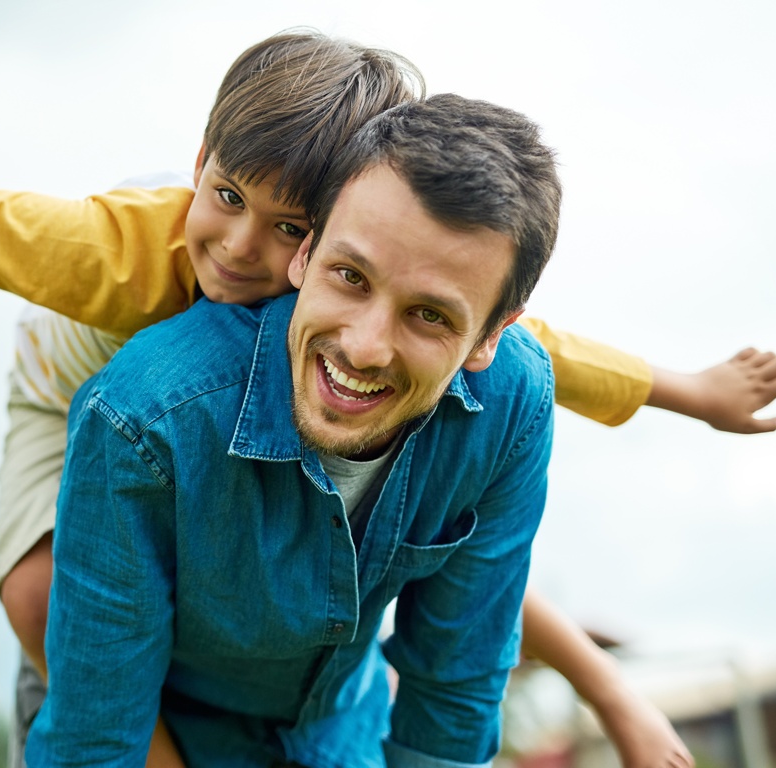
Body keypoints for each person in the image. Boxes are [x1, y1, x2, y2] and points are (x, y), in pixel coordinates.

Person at [0, 30, 776, 766]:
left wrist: (690, 391)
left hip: (291, 519)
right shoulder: (113, 261)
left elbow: (537, 359)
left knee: (417, 522)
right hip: (68, 408)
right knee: (47, 602)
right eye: (225, 197)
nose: (236, 250)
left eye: (287, 231)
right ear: (200, 159)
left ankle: (603, 680)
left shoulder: (438, 347)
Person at [30, 93, 563, 766]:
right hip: (177, 737)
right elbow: (96, 743)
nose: (365, 348)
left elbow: (454, 690)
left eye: (429, 315)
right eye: (350, 276)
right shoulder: (144, 419)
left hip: (346, 732)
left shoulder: (515, 401)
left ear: (492, 335)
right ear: (305, 254)